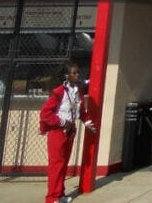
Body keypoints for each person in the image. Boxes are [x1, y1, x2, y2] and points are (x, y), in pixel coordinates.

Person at [40, 61, 96, 203]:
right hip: (58, 131)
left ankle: (60, 194)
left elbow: (80, 110)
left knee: (63, 164)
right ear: (66, 75)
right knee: (56, 164)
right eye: (74, 73)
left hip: (70, 131)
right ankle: (51, 197)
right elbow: (45, 113)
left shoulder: (77, 91)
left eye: (78, 72)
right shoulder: (59, 91)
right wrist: (62, 122)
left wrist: (88, 122)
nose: (77, 75)